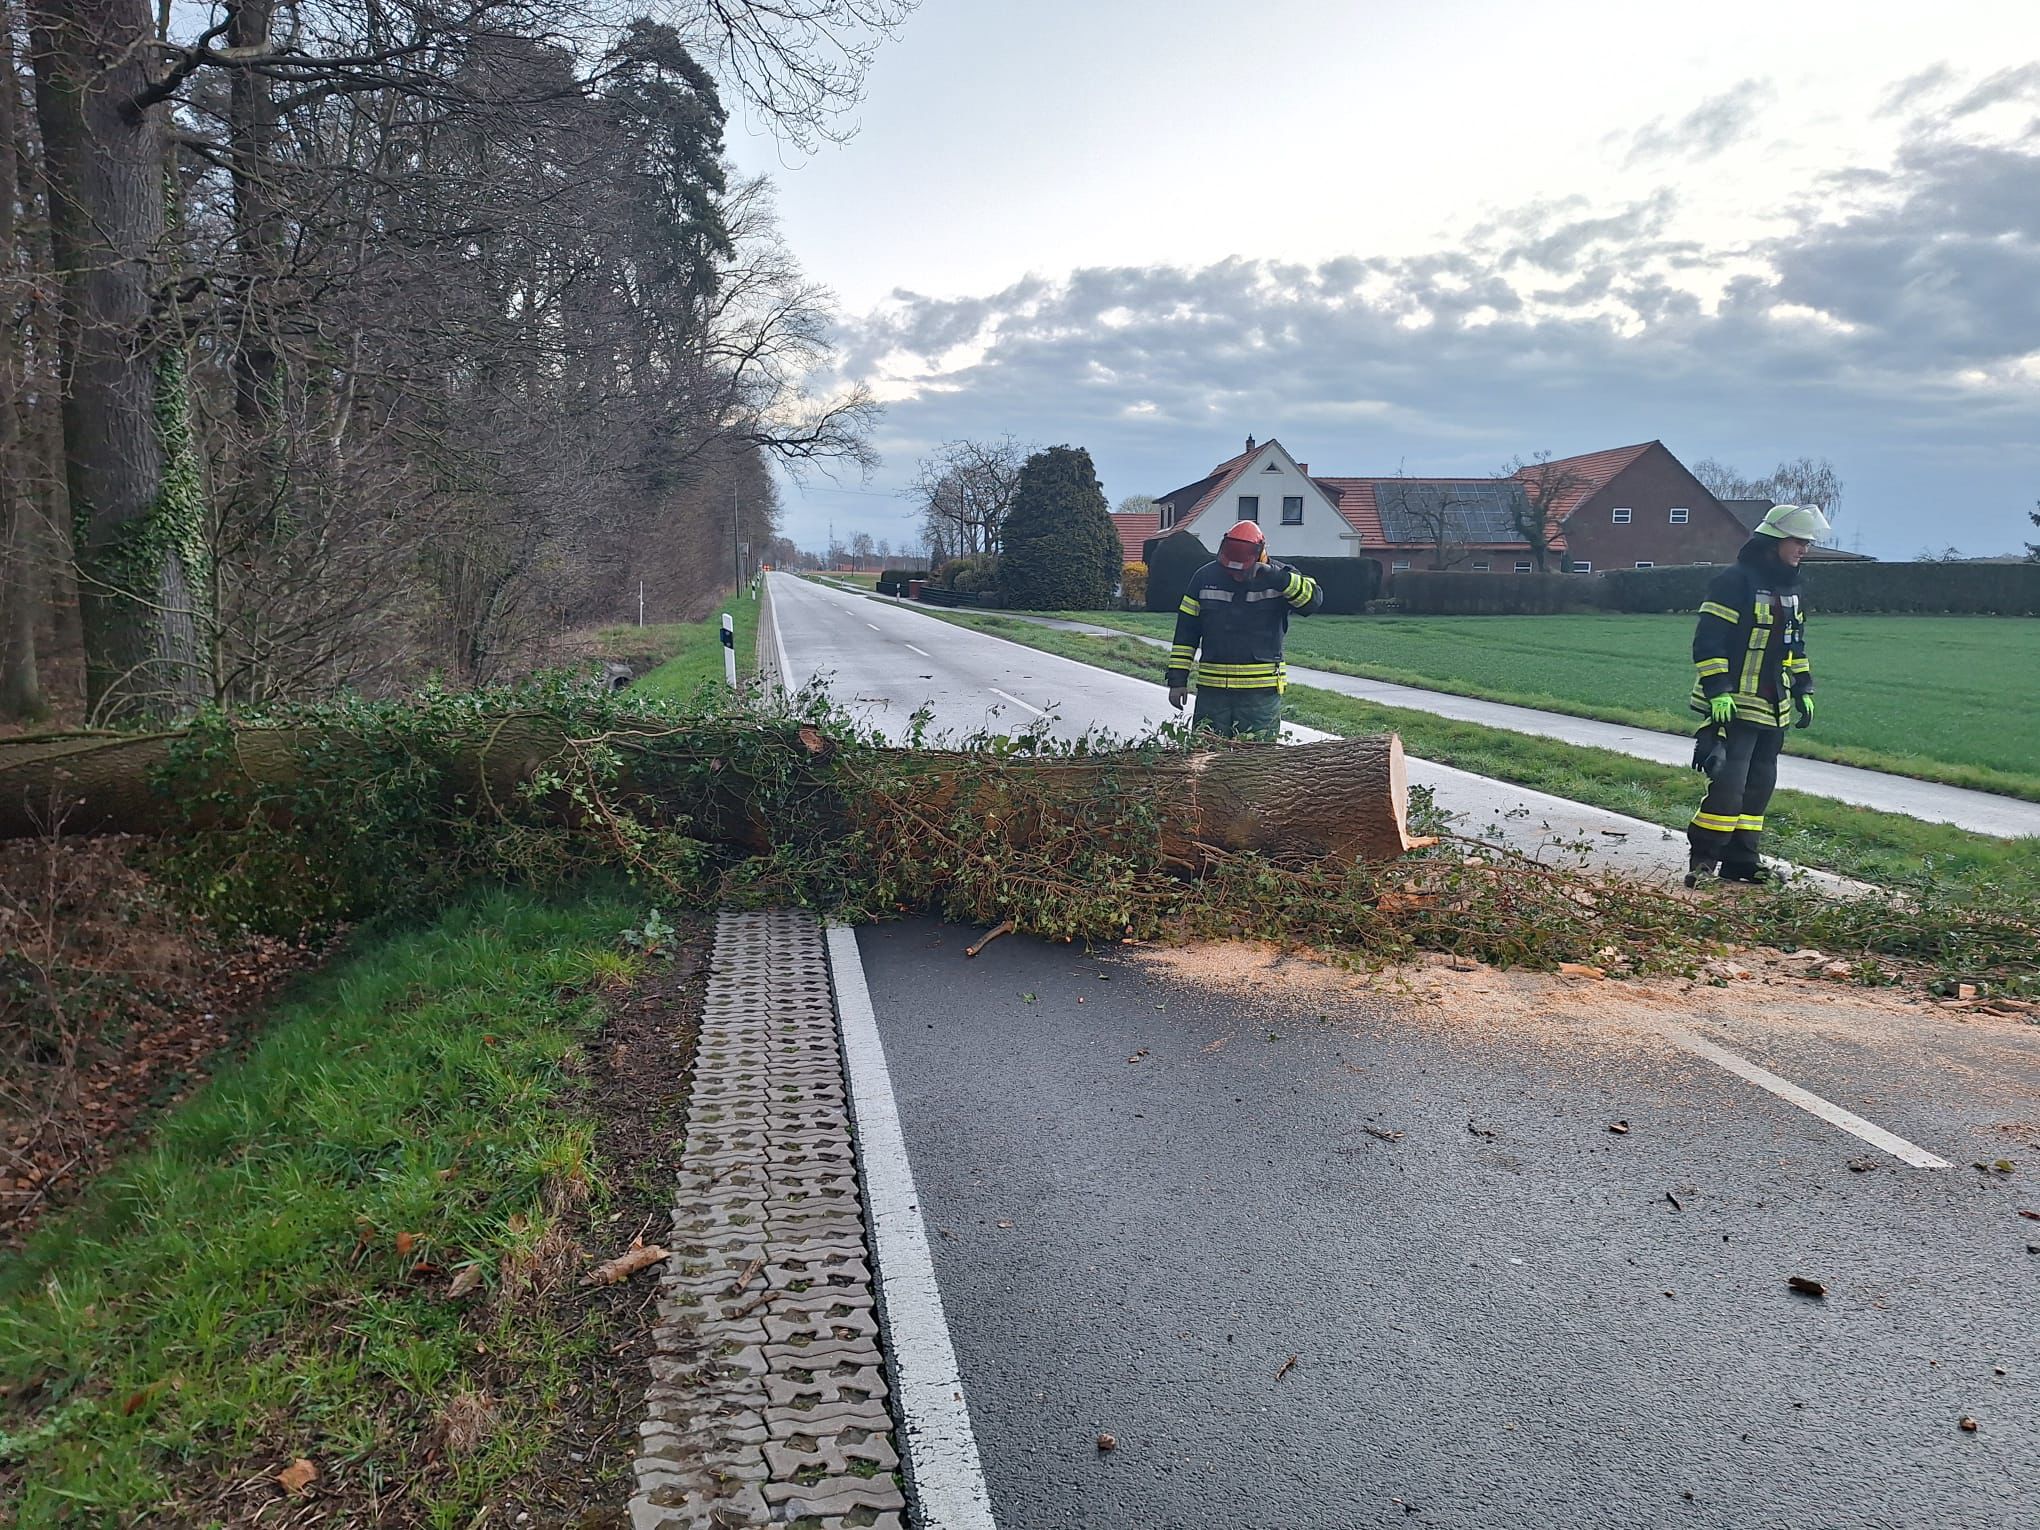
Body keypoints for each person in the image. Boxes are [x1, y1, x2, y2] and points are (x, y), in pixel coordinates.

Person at [1684, 502, 1831, 886]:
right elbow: (1709, 640)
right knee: (1729, 785)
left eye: (1807, 543)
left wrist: (1803, 687)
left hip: (1774, 705)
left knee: (1759, 786)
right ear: (1773, 541)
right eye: (1798, 542)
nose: (1804, 550)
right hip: (1736, 702)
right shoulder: (1734, 582)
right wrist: (1718, 690)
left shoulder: (1791, 588)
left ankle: (1742, 860)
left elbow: (1793, 645)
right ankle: (1703, 860)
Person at [1165, 520, 1323, 739]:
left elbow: (1312, 601)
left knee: (1256, 762)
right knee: (1204, 757)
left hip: (1259, 697)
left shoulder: (1280, 578)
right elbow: (1185, 634)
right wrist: (1177, 680)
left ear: (1260, 556)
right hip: (1213, 695)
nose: (1235, 575)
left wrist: (1277, 578)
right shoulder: (1204, 578)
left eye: (1241, 569)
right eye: (1230, 569)